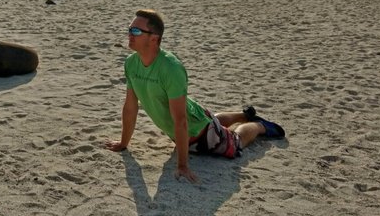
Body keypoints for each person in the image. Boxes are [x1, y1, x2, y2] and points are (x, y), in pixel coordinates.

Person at [104, 9, 285, 183]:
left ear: (154, 38)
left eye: (136, 30)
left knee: (234, 143)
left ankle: (259, 125)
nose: (130, 34)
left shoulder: (171, 68)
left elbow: (181, 120)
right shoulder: (131, 63)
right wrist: (123, 143)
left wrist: (182, 165)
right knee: (213, 122)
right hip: (192, 120)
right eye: (129, 29)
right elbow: (130, 107)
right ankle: (244, 115)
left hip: (197, 132)